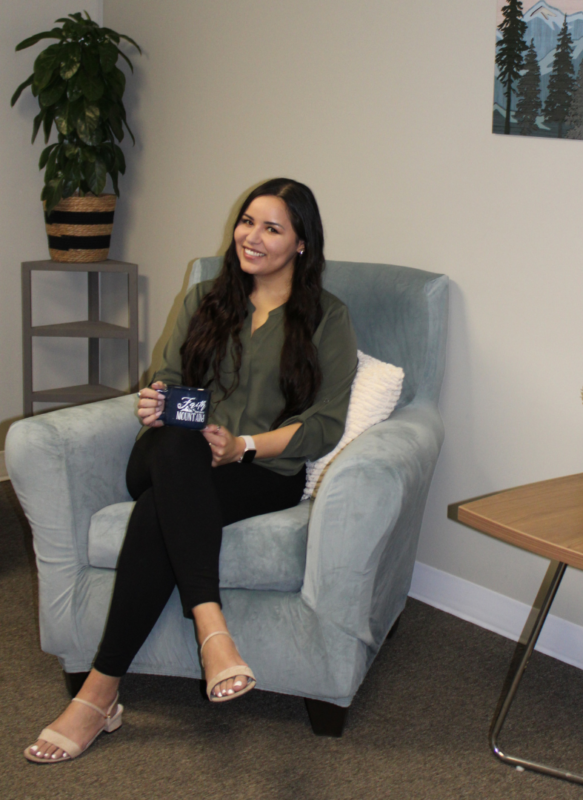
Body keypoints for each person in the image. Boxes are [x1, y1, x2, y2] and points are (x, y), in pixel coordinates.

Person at [25, 178, 358, 763]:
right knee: (179, 448)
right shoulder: (206, 295)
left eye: (272, 228)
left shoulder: (328, 318)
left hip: (258, 474)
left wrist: (243, 447)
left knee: (160, 512)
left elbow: (323, 426)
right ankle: (212, 628)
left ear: (302, 243)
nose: (251, 237)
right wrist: (156, 401)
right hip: (168, 455)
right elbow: (171, 378)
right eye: (247, 221)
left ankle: (99, 695)